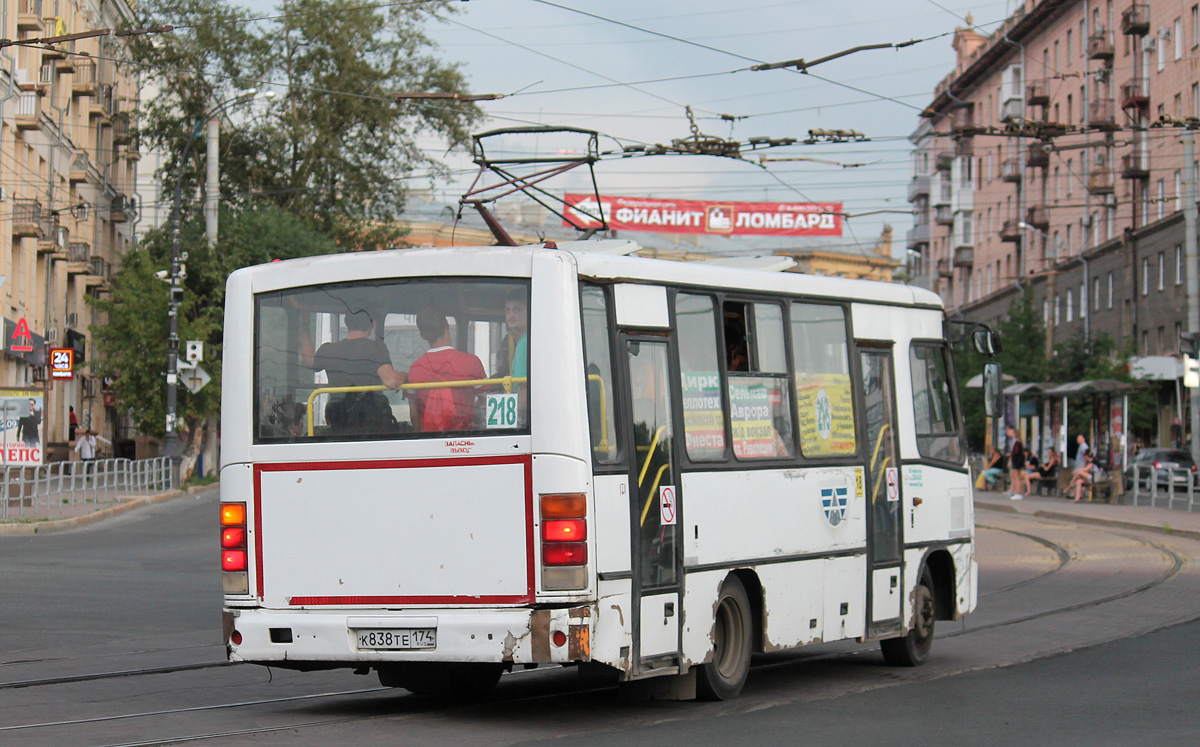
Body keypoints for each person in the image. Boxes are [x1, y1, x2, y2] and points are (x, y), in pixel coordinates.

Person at [303, 309, 405, 434]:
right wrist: (404, 376)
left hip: (338, 420)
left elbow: (309, 361)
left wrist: (304, 327)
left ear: (346, 322)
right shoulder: (376, 348)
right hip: (371, 424)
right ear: (372, 323)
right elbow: (392, 381)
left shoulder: (328, 350)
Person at [406, 307, 486, 432]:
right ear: (447, 325)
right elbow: (486, 401)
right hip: (465, 440)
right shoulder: (471, 362)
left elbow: (414, 412)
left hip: (430, 440)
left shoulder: (415, 369)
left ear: (422, 336)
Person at [1006, 425, 1027, 500]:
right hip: (1018, 461)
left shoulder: (1017, 443)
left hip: (1016, 461)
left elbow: (1015, 452)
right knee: (1017, 477)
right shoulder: (1019, 443)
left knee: (1017, 477)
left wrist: (1010, 454)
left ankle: (1018, 492)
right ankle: (1017, 492)